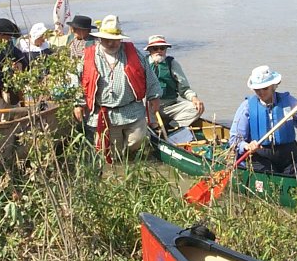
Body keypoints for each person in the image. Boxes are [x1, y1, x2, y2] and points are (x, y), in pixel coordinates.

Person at [73, 15, 161, 161]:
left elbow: (149, 75)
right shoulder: (89, 56)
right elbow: (75, 78)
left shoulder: (134, 54)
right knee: (112, 153)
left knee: (137, 141)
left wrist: (154, 96)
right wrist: (78, 103)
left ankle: (132, 159)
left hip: (132, 110)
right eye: (106, 39)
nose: (110, 43)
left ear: (120, 39)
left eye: (114, 40)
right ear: (100, 39)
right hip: (105, 113)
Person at [228, 65, 297, 176]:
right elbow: (235, 139)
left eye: (265, 88)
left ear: (273, 86)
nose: (261, 92)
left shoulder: (288, 101)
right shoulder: (247, 107)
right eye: (257, 89)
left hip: (288, 155)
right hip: (261, 156)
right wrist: (247, 146)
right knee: (268, 181)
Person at [144, 35, 204, 129]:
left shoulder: (172, 63)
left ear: (166, 50)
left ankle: (171, 127)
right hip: (149, 107)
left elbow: (184, 89)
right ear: (150, 50)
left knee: (196, 108)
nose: (159, 51)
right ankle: (154, 128)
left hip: (169, 106)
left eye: (162, 48)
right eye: (155, 48)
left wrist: (194, 98)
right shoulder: (142, 63)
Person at [0, 18, 27, 113]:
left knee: (12, 110)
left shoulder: (9, 45)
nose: (10, 38)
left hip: (9, 84)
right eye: (8, 36)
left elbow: (22, 58)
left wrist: (19, 64)